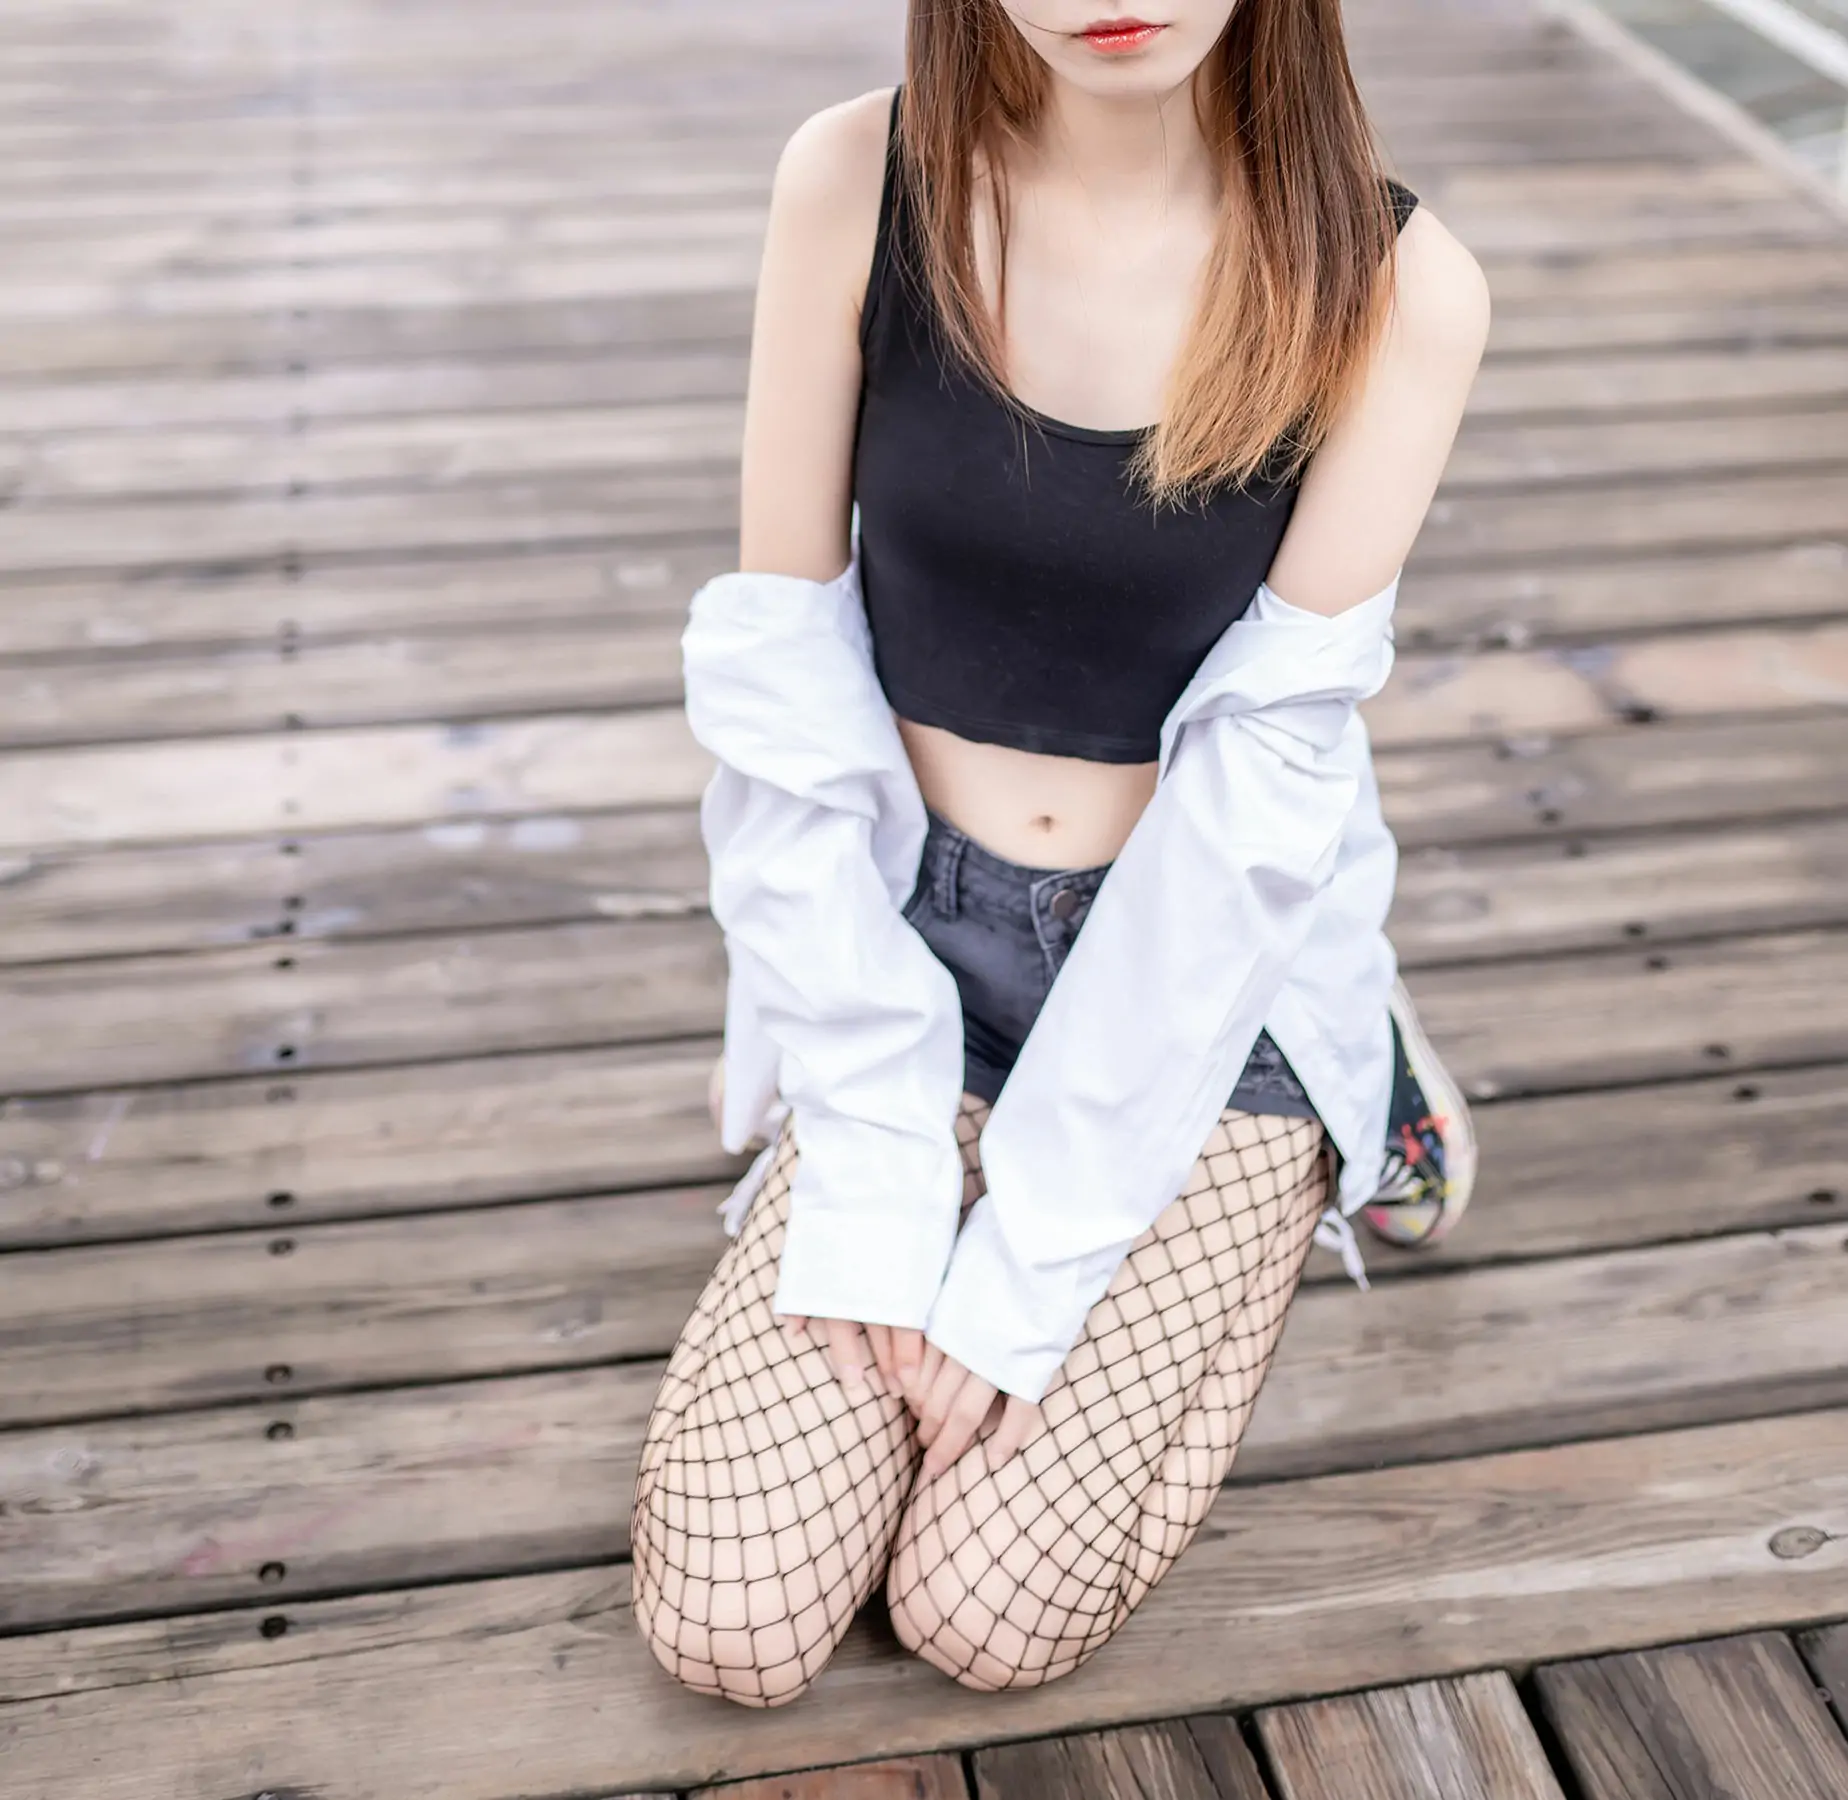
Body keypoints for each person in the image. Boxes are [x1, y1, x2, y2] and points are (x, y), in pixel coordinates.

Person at [633, 0, 1490, 1708]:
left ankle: (1361, 1094)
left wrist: (1027, 1271)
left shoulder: (1397, 286)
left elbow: (1251, 814)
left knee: (988, 1614)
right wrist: (878, 1159)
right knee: (735, 1621)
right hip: (919, 948)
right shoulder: (856, 182)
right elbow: (784, 681)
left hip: (1208, 984)